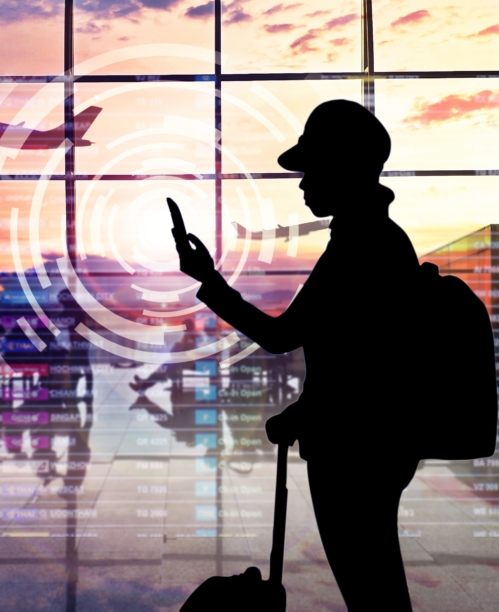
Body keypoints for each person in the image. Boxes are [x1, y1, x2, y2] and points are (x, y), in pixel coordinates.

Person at [173, 100, 419, 610]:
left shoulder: (361, 248)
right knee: (375, 586)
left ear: (344, 166)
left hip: (355, 450)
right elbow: (362, 360)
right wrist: (306, 412)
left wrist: (210, 282)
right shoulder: (378, 241)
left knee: (371, 591)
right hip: (370, 442)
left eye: (311, 170)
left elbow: (288, 337)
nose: (304, 184)